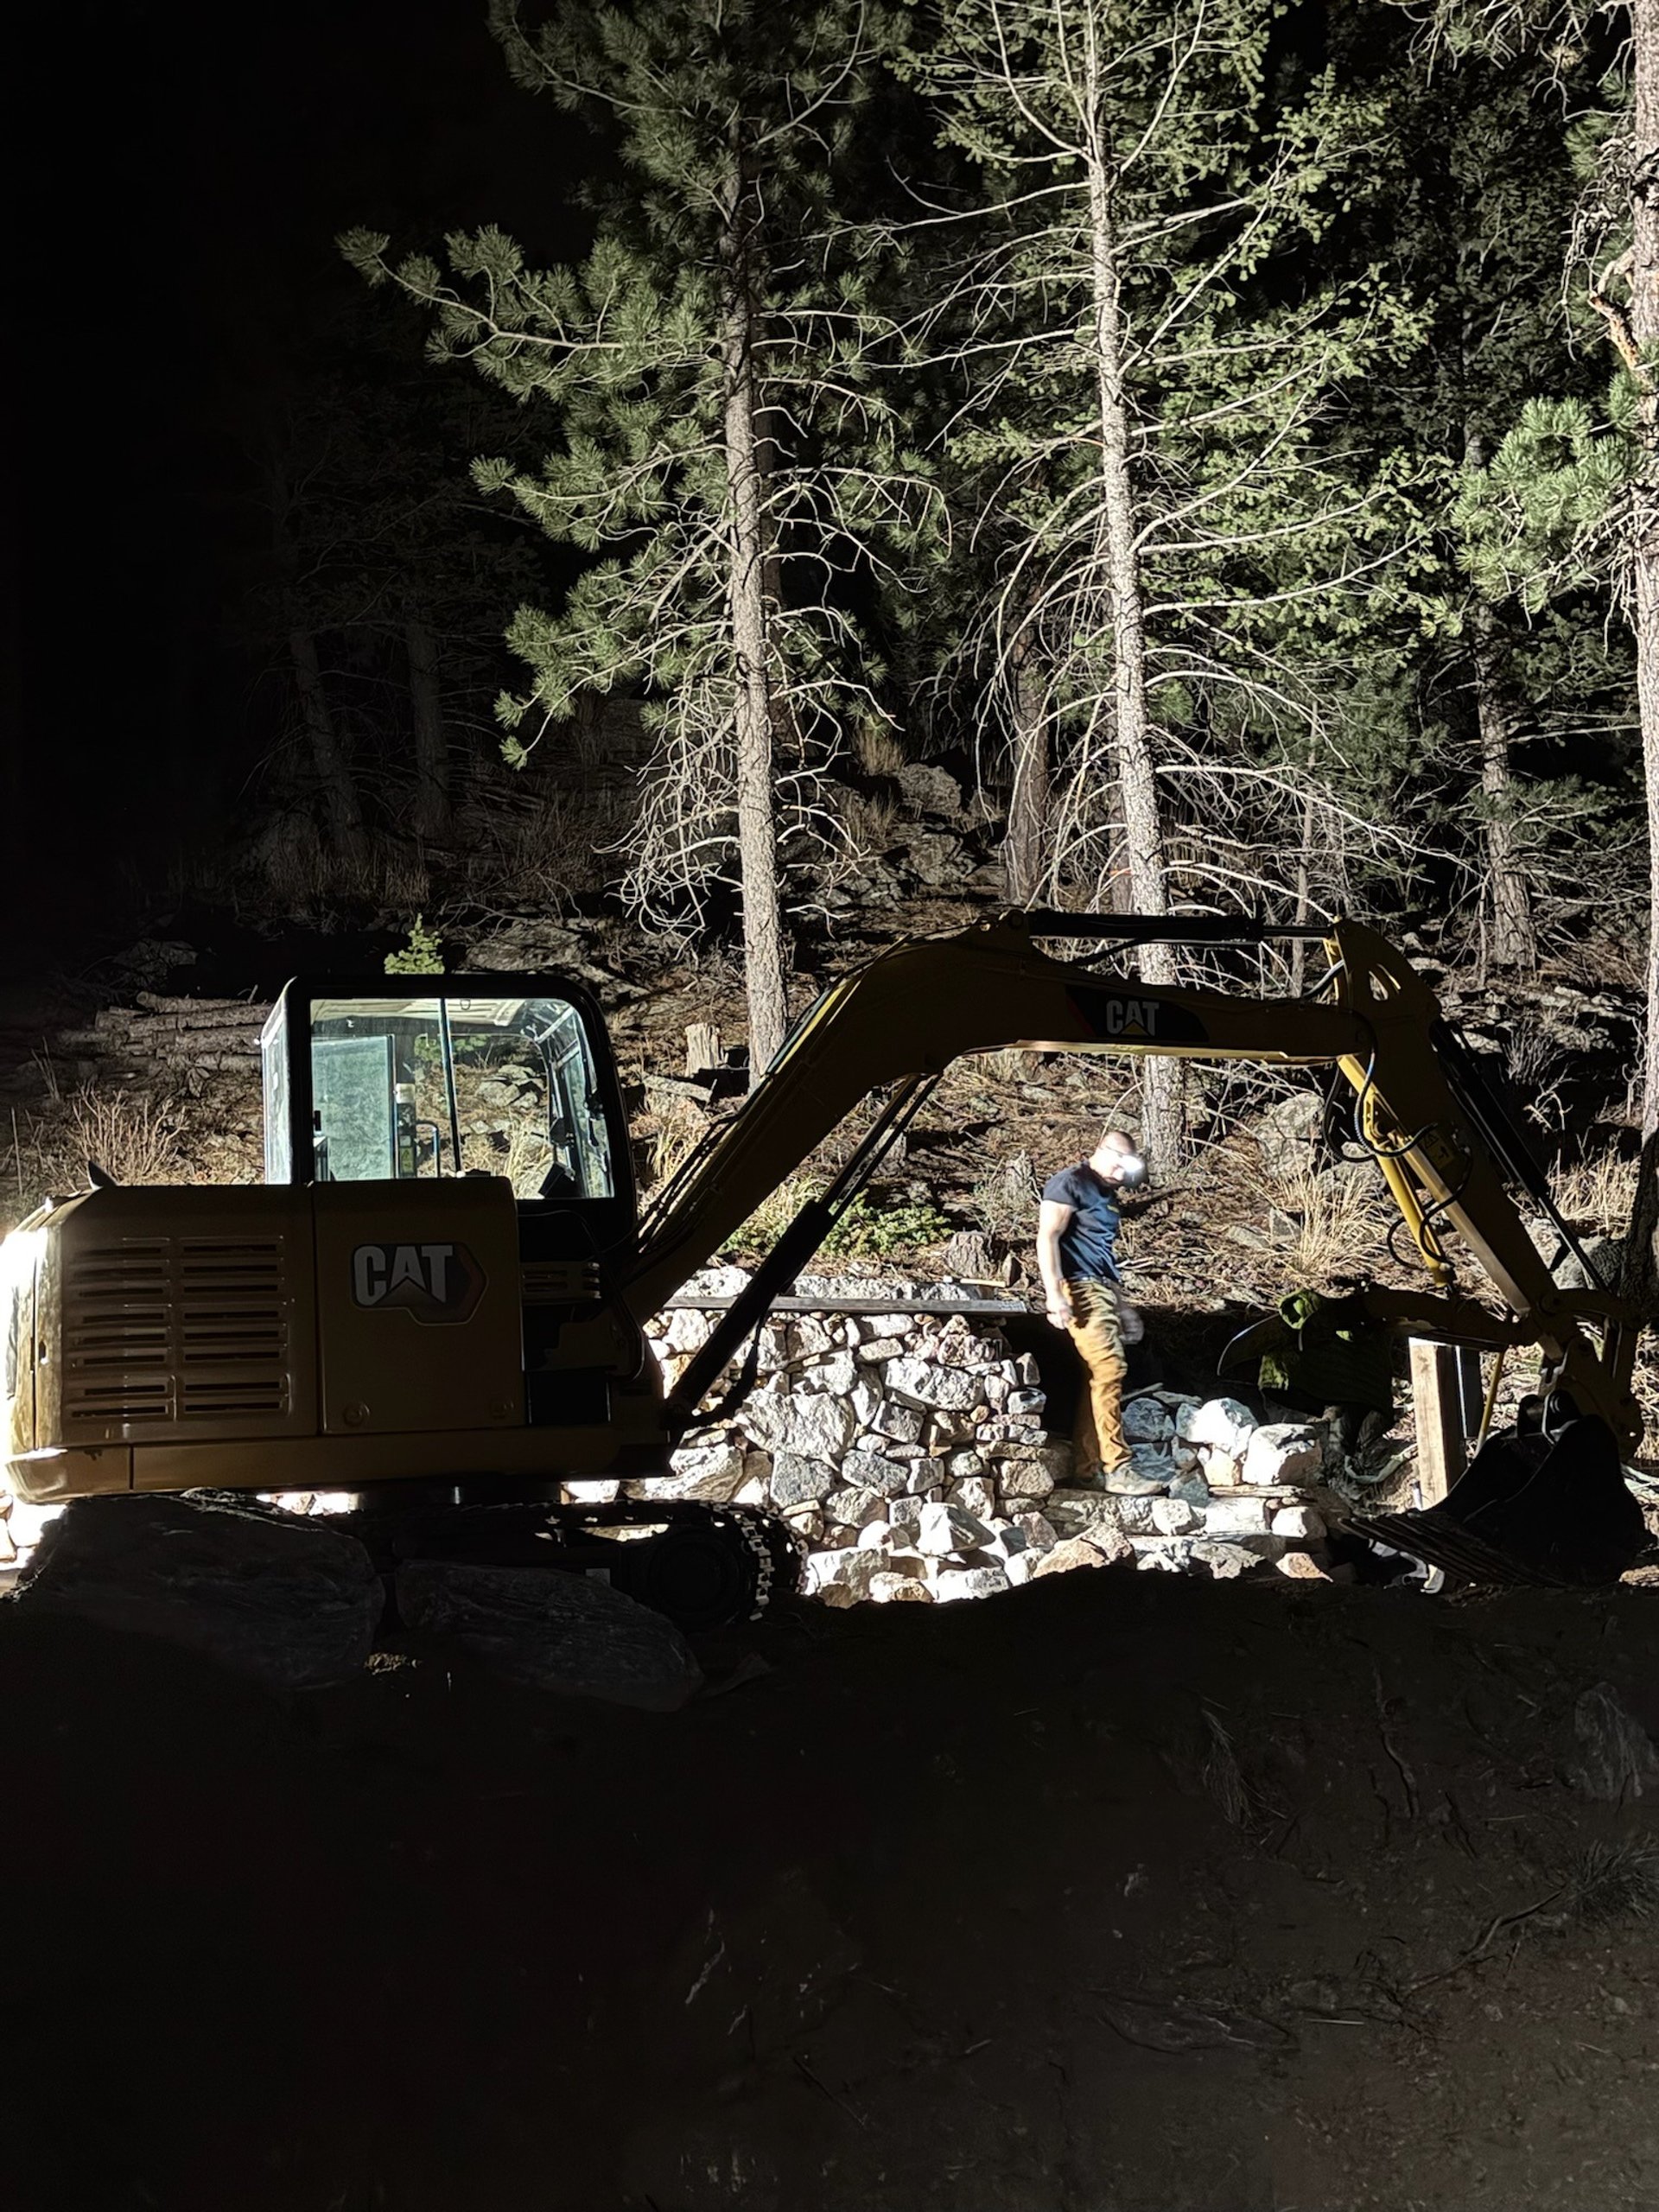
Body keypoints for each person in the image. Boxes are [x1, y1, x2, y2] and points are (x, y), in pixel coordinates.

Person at [1037, 1128, 1154, 1494]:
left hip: (1101, 1289)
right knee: (1109, 1368)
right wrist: (1054, 1293)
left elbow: (1103, 1255)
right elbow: (1048, 1236)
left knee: (1102, 1375)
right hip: (1079, 1287)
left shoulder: (1107, 1195)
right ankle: (1118, 1467)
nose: (1124, 1175)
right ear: (1106, 1152)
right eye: (1122, 1165)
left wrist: (1123, 1306)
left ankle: (1088, 1469)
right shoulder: (1069, 1183)